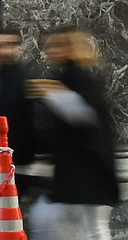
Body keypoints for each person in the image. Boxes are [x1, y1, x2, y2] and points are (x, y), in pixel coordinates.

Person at [26, 26, 119, 240]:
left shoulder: (79, 76)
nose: (51, 51)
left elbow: (86, 115)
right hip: (79, 171)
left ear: (71, 48)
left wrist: (53, 93)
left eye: (57, 46)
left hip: (89, 170)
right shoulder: (67, 76)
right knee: (49, 219)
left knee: (93, 228)